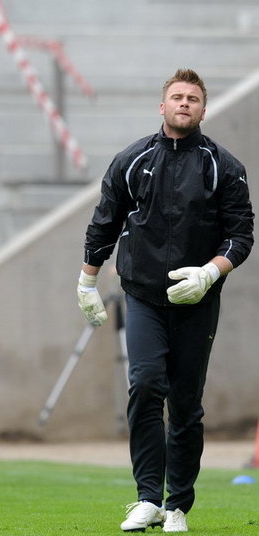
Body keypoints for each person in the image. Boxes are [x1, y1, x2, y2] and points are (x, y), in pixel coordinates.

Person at [77, 69, 254, 532]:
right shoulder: (131, 160)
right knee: (147, 384)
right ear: (162, 106)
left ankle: (177, 506)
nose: (184, 103)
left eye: (193, 98)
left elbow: (242, 235)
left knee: (186, 404)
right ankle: (147, 498)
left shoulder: (224, 166)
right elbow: (105, 223)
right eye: (177, 96)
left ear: (203, 109)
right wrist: (86, 282)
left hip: (198, 301)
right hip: (144, 298)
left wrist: (210, 272)